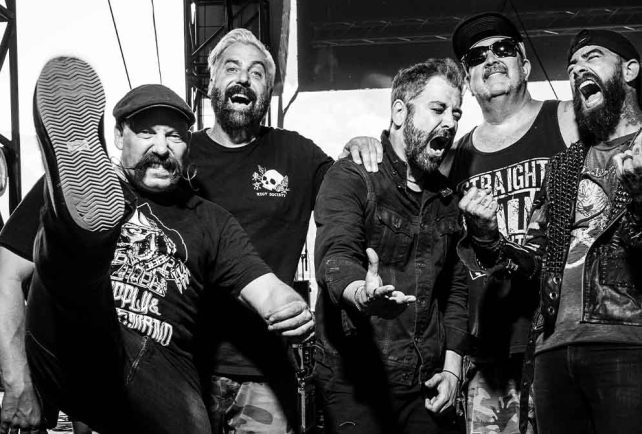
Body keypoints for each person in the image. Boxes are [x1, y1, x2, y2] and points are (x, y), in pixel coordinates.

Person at [16, 56, 313, 434]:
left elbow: (264, 287)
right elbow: (6, 276)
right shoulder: (82, 185)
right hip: (75, 343)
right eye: (146, 132)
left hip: (161, 375)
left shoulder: (210, 220)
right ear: (117, 136)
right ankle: (79, 228)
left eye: (174, 136)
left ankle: (78, 238)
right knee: (72, 262)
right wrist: (15, 379)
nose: (161, 147)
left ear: (188, 146)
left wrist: (289, 307)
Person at [189, 28, 376, 433]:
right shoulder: (182, 156)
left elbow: (347, 195)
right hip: (188, 365)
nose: (244, 78)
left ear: (268, 92)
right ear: (211, 81)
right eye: (232, 68)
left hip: (266, 371)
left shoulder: (296, 154)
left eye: (257, 73)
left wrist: (357, 148)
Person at [459, 29, 642, 434]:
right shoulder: (564, 165)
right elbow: (537, 261)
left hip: (627, 342)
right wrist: (488, 237)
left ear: (630, 70)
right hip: (552, 350)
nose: (578, 70)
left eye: (592, 57)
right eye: (572, 66)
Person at [314, 58, 469, 434]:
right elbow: (335, 257)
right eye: (438, 109)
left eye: (456, 113)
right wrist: (361, 294)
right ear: (400, 112)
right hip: (356, 383)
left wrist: (452, 370)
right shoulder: (353, 176)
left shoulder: (447, 199)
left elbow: (455, 291)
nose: (450, 122)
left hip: (424, 385)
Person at [445, 12, 578, 434]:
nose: (491, 59)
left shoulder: (567, 118)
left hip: (563, 340)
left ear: (525, 62)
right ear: (469, 80)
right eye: (477, 56)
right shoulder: (457, 156)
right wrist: (366, 143)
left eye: (502, 49)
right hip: (492, 357)